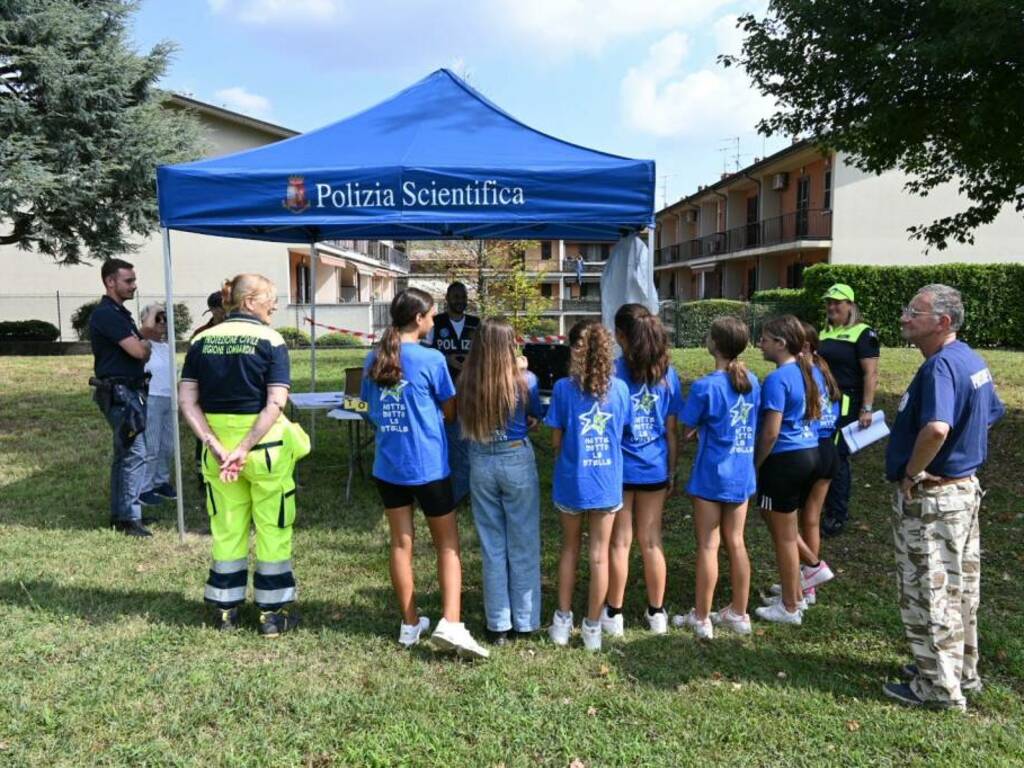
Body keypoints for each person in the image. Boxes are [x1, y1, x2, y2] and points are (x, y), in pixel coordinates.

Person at [882, 285, 1004, 711]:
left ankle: (937, 688)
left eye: (914, 312)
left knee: (928, 589)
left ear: (943, 322)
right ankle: (960, 670)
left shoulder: (940, 368)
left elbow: (936, 428)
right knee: (960, 588)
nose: (904, 318)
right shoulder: (970, 359)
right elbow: (992, 412)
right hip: (963, 492)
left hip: (934, 498)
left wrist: (915, 471)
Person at [179, 274, 310, 636]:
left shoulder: (201, 341)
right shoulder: (271, 340)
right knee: (273, 528)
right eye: (271, 298)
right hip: (265, 452)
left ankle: (225, 609)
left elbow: (187, 401)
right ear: (249, 300)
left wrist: (217, 446)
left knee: (227, 528)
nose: (275, 305)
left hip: (218, 456)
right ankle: (273, 613)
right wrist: (245, 447)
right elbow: (275, 403)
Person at [362, 288, 489, 658]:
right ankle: (451, 622)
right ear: (418, 319)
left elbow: (371, 410)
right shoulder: (432, 360)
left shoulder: (375, 356)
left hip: (389, 466)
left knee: (401, 544)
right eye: (431, 316)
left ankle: (409, 622)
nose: (434, 322)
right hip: (429, 466)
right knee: (447, 545)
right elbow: (450, 412)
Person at [545, 319, 632, 651]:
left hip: (572, 480)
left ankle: (561, 622)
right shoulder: (621, 390)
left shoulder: (565, 389)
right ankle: (593, 627)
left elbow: (555, 439)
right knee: (600, 556)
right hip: (607, 483)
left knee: (569, 550)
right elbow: (622, 432)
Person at [459, 318, 545, 646]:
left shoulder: (467, 379)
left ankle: (498, 625)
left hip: (480, 459)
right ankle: (525, 621)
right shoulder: (526, 379)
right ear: (510, 345)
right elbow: (535, 413)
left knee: (492, 545)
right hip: (515, 457)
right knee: (523, 542)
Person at [673, 316, 759, 639]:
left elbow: (687, 428)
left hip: (711, 475)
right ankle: (739, 613)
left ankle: (702, 617)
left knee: (709, 545)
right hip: (741, 474)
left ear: (715, 344)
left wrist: (694, 432)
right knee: (736, 542)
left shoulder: (705, 386)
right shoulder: (753, 381)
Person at [603, 304, 681, 637]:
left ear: (621, 336)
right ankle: (657, 613)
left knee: (620, 543)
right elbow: (671, 429)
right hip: (654, 467)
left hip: (620, 469)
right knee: (651, 541)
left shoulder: (612, 373)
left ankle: (614, 614)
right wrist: (672, 470)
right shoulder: (668, 374)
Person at [753, 315, 822, 625]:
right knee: (788, 530)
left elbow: (770, 432)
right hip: (809, 453)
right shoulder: (809, 372)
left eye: (765, 340)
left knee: (783, 536)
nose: (760, 345)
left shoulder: (777, 380)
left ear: (781, 344)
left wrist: (756, 464)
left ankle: (791, 606)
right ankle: (794, 592)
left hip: (784, 459)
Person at [766, 323, 840, 607]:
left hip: (809, 448)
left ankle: (809, 574)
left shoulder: (801, 375)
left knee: (791, 521)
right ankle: (803, 582)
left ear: (804, 347)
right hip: (825, 448)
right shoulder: (821, 373)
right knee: (805, 519)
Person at [88, 258, 157, 537]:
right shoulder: (107, 314)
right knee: (134, 452)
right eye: (128, 281)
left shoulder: (119, 314)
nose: (134, 285)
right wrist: (144, 345)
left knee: (125, 453)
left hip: (125, 391)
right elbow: (139, 352)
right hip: (120, 393)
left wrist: (143, 342)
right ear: (110, 282)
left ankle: (122, 514)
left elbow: (141, 343)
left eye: (133, 280)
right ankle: (128, 518)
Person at [818, 283, 880, 537]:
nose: (832, 307)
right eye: (829, 302)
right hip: (822, 402)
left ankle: (836, 514)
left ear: (850, 305)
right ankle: (818, 504)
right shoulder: (824, 332)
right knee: (822, 452)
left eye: (838, 302)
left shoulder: (863, 333)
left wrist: (866, 408)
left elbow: (871, 373)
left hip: (846, 403)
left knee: (837, 457)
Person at [425, 281, 480, 506]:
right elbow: (426, 351)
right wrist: (445, 359)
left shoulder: (477, 323)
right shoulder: (435, 323)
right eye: (455, 296)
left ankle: (466, 487)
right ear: (447, 299)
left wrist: (470, 361)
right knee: (445, 437)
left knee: (468, 438)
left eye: (462, 296)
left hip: (470, 389)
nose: (459, 300)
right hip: (442, 389)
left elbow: (484, 351)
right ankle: (448, 485)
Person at [139, 303, 178, 507]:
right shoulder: (143, 344)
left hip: (169, 398)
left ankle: (160, 481)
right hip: (152, 398)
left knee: (168, 445)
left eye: (165, 319)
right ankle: (144, 488)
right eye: (158, 318)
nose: (162, 322)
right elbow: (143, 331)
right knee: (151, 445)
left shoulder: (168, 346)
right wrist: (153, 309)